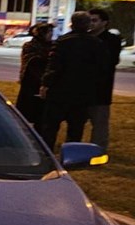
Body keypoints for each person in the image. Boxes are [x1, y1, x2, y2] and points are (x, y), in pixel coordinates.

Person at [39, 11, 106, 148]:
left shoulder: (62, 42)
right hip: (83, 93)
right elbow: (101, 69)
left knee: (51, 126)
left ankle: (47, 152)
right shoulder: (97, 43)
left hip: (60, 91)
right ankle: (72, 154)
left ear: (72, 24)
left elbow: (54, 66)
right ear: (87, 25)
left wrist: (45, 84)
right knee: (76, 128)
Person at [87, 8, 122, 151]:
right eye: (89, 20)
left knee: (99, 122)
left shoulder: (111, 40)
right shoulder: (84, 37)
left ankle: (98, 150)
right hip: (80, 88)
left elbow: (110, 62)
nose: (91, 24)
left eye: (94, 20)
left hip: (101, 89)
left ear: (104, 22)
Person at [16, 23, 54, 125]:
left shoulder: (53, 46)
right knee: (28, 113)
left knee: (42, 116)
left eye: (51, 32)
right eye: (48, 32)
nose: (51, 34)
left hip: (46, 84)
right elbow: (32, 63)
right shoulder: (30, 46)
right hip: (31, 83)